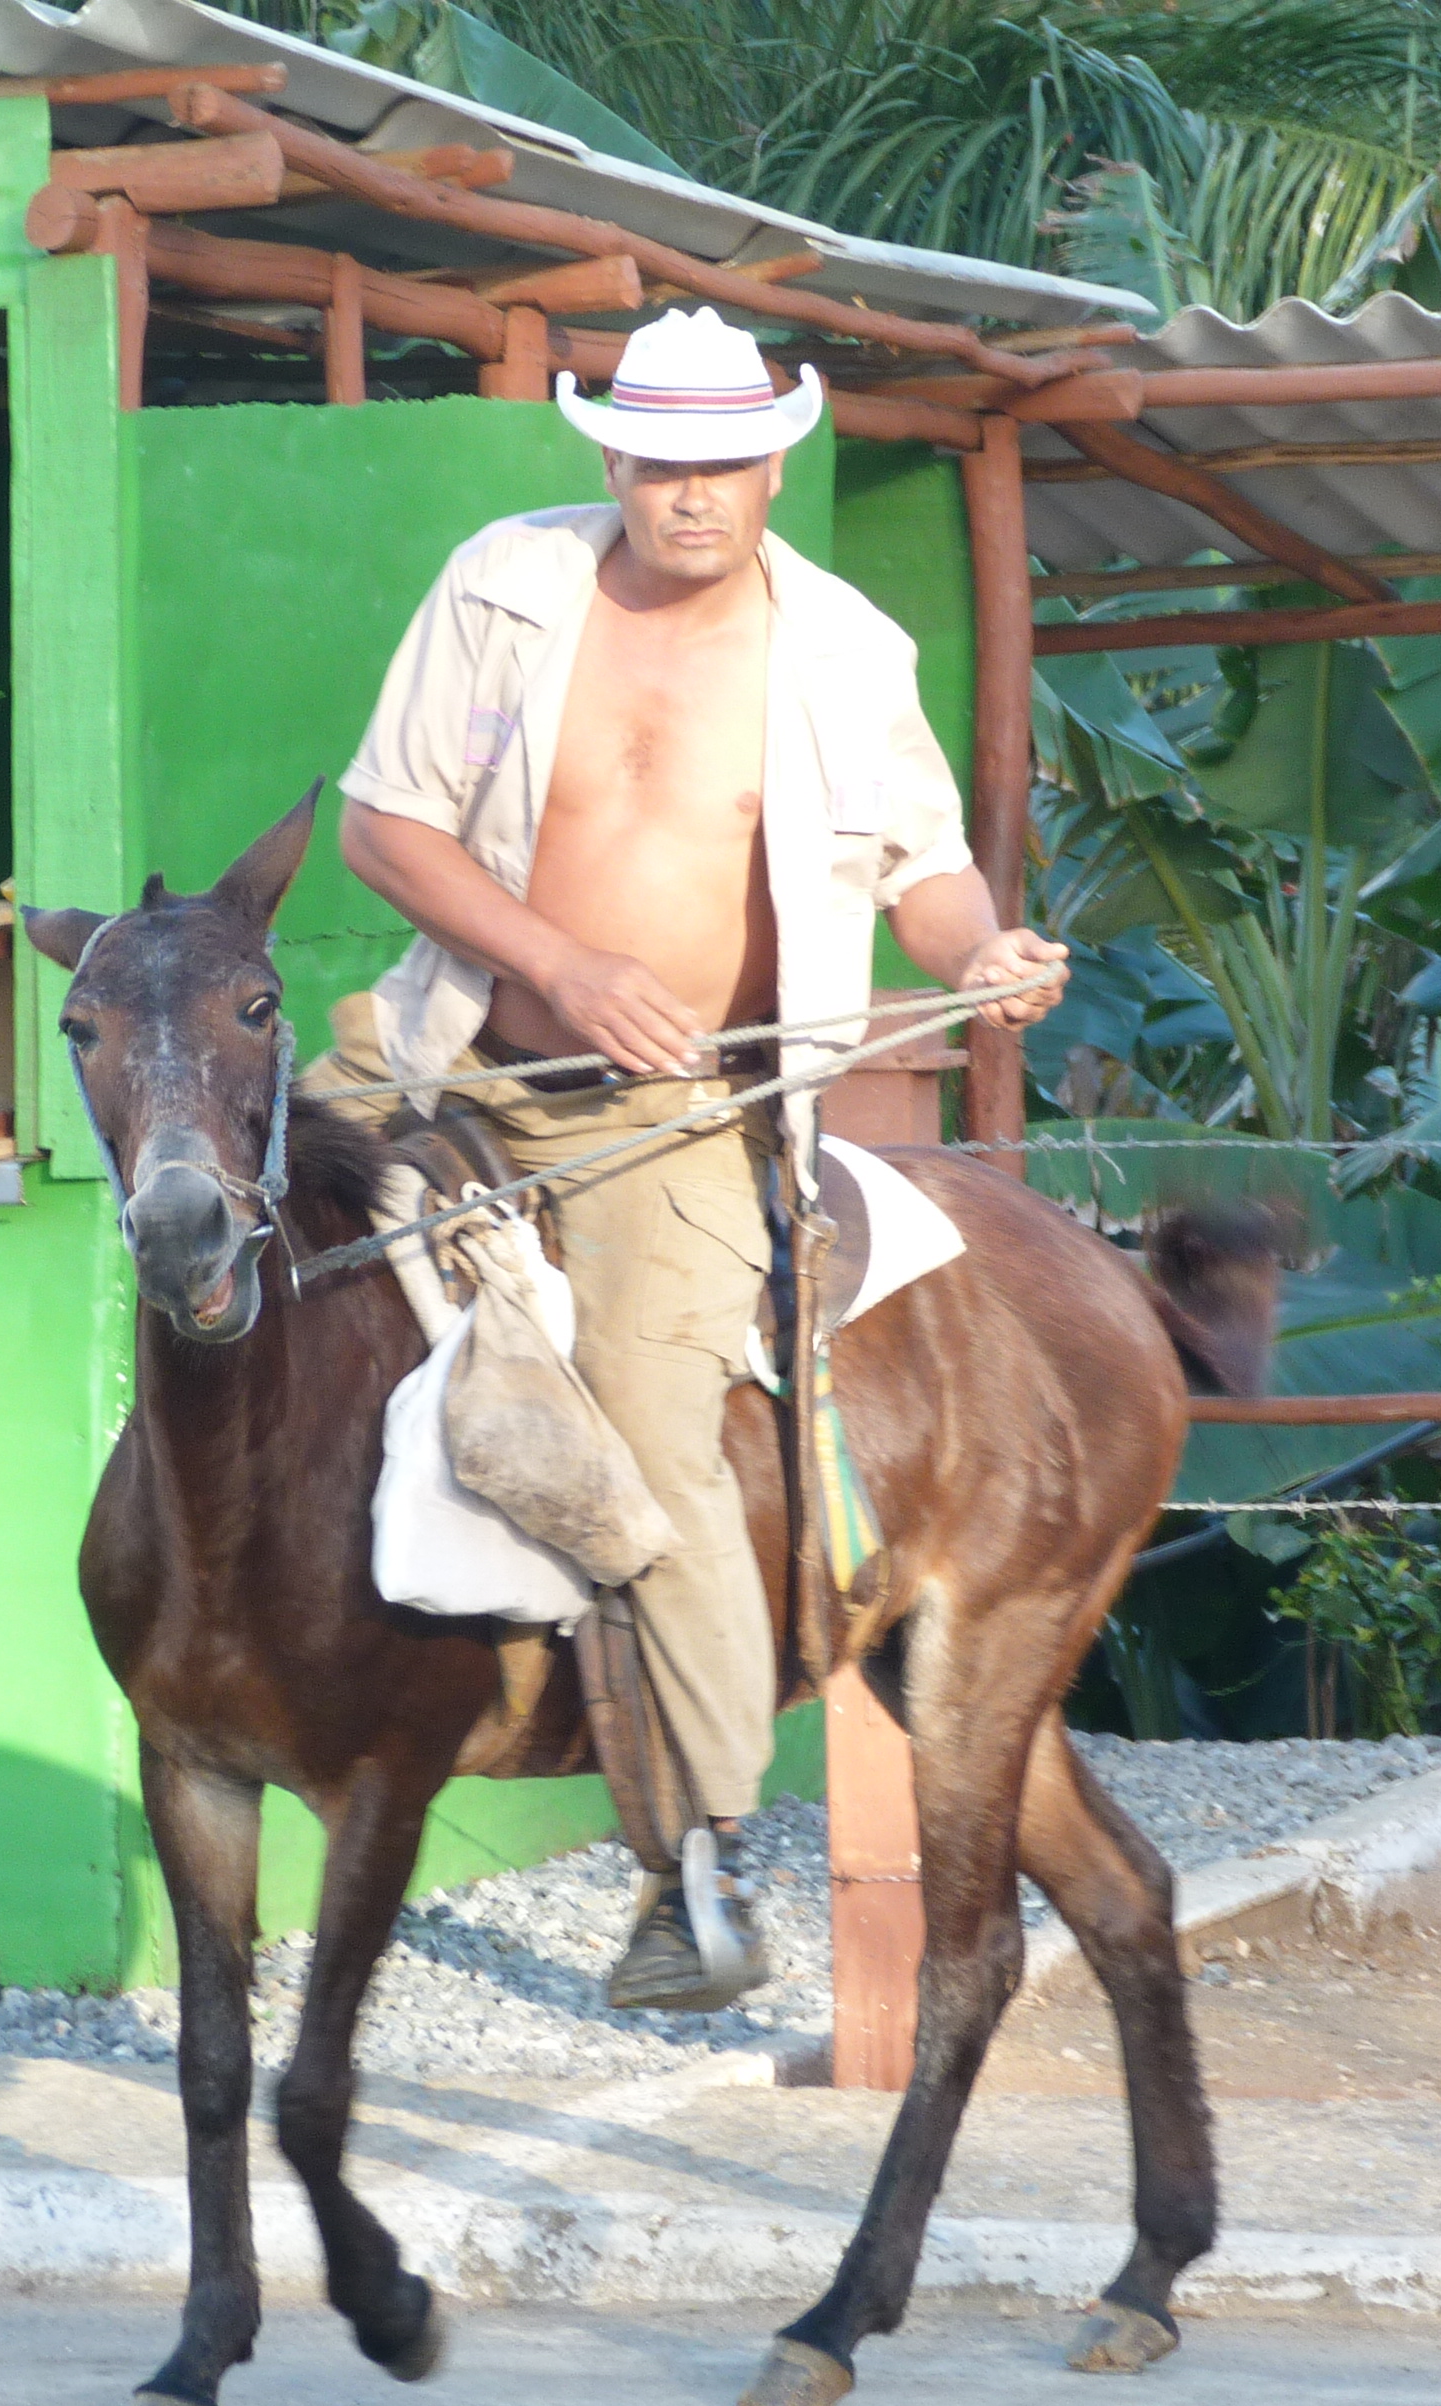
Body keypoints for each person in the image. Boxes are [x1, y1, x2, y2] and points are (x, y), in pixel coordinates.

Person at [318, 308, 1067, 2012]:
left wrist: (979, 956)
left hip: (670, 1117)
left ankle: (700, 1859)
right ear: (612, 461)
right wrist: (561, 964)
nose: (691, 493)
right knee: (224, 1242)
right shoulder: (504, 585)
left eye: (722, 462)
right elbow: (386, 824)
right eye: (659, 461)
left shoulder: (849, 652)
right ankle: (213, 1662)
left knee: (652, 1442)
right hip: (453, 1047)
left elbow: (924, 870)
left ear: (773, 461)